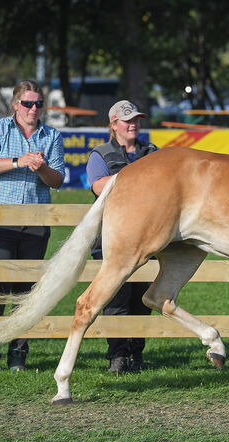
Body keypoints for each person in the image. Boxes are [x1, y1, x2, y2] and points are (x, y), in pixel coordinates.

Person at [0, 80, 65, 372]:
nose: (34, 108)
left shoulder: (51, 135)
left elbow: (58, 180)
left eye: (38, 103)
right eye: (28, 103)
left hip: (35, 222)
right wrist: (18, 161)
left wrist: (43, 169)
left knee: (27, 290)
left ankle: (18, 353)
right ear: (16, 104)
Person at [85, 100, 158, 373]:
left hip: (148, 239)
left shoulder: (152, 151)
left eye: (136, 119)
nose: (133, 124)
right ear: (114, 124)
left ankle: (136, 355)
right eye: (127, 120)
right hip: (111, 238)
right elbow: (98, 185)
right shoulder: (100, 154)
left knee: (142, 299)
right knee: (116, 299)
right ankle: (117, 356)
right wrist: (140, 178)